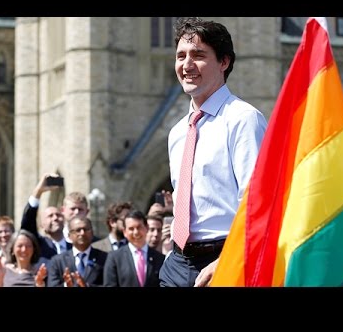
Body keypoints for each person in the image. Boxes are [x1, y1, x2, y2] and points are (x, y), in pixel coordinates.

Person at [159, 17, 267, 287]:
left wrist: (227, 261)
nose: (186, 65)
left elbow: (258, 205)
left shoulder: (243, 119)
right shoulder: (177, 132)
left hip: (224, 259)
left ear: (224, 62)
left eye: (198, 55)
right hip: (176, 264)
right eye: (181, 56)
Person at [103, 210, 164, 287]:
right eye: (131, 229)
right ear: (125, 232)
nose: (136, 232)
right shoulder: (115, 258)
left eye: (139, 227)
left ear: (146, 228)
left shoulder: (160, 259)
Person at [21, 173, 72, 259]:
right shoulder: (38, 246)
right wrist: (38, 192)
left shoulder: (74, 248)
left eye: (58, 215)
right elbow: (28, 222)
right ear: (42, 224)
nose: (55, 218)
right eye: (50, 216)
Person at [47, 216, 107, 287]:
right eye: (78, 230)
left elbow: (111, 284)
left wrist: (86, 286)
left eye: (86, 229)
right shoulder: (58, 261)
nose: (82, 233)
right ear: (69, 236)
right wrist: (67, 285)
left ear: (92, 233)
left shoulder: (105, 258)